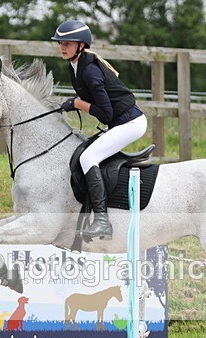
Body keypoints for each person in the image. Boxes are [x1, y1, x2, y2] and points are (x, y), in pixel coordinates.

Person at [52, 19, 148, 240]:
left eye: (67, 43)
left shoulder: (90, 71)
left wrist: (78, 104)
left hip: (130, 123)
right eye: (60, 43)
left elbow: (105, 114)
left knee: (88, 158)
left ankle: (103, 222)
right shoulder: (76, 65)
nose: (62, 47)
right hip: (120, 122)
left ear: (81, 45)